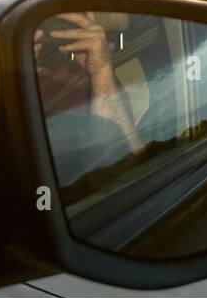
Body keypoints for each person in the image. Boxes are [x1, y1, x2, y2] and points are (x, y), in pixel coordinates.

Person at [34, 12, 145, 189]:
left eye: (63, 23)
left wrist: (101, 71)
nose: (51, 31)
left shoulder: (89, 75)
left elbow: (133, 165)